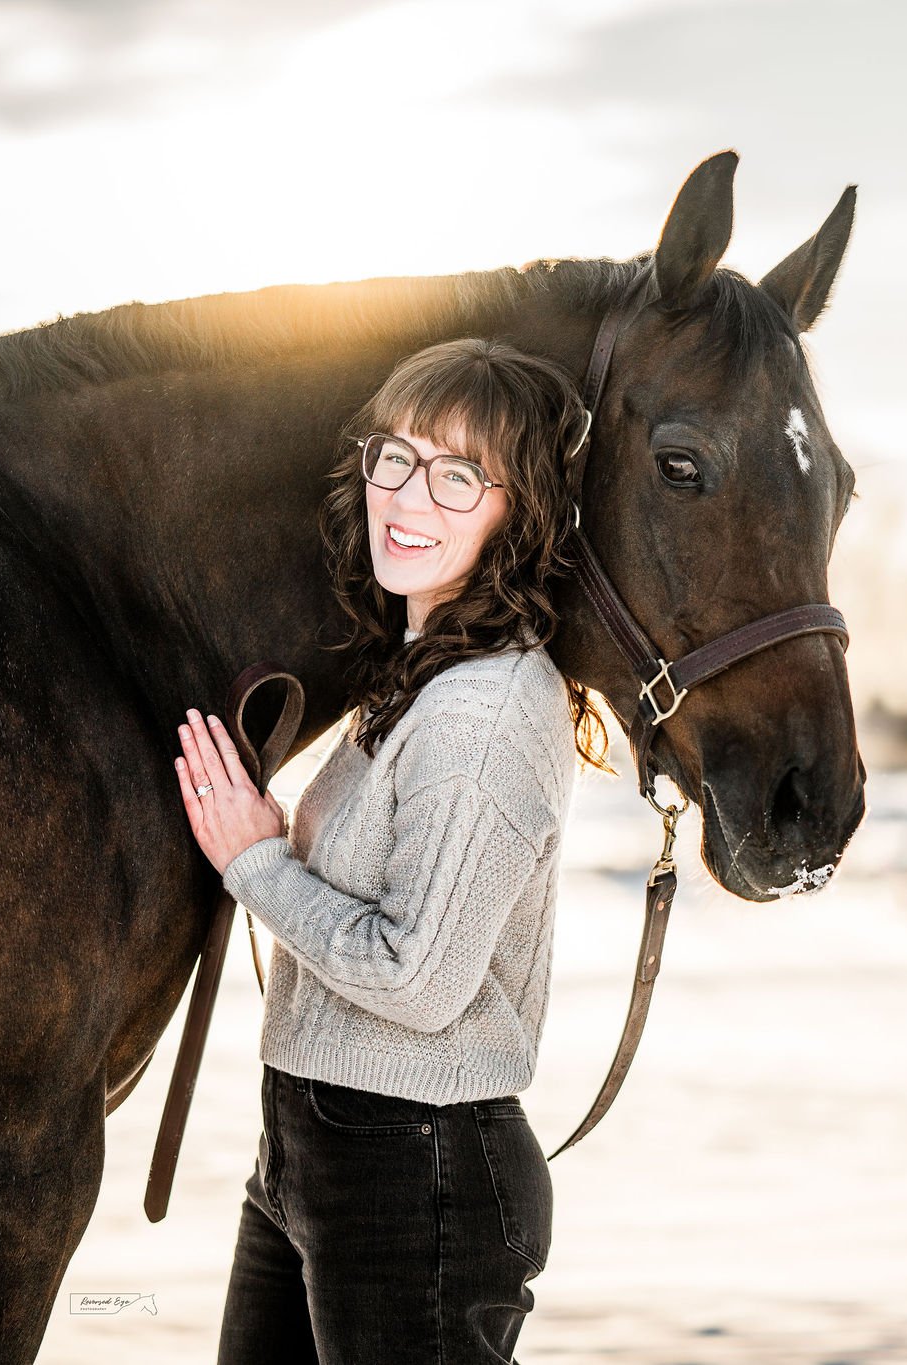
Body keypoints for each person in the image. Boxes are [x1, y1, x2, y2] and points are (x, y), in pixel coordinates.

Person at [173, 337, 616, 1363]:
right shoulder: (415, 678)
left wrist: (255, 865)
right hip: (315, 1152)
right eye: (396, 457)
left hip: (415, 1169)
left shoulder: (483, 711)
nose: (409, 496)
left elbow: (418, 977)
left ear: (521, 510)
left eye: (460, 475)